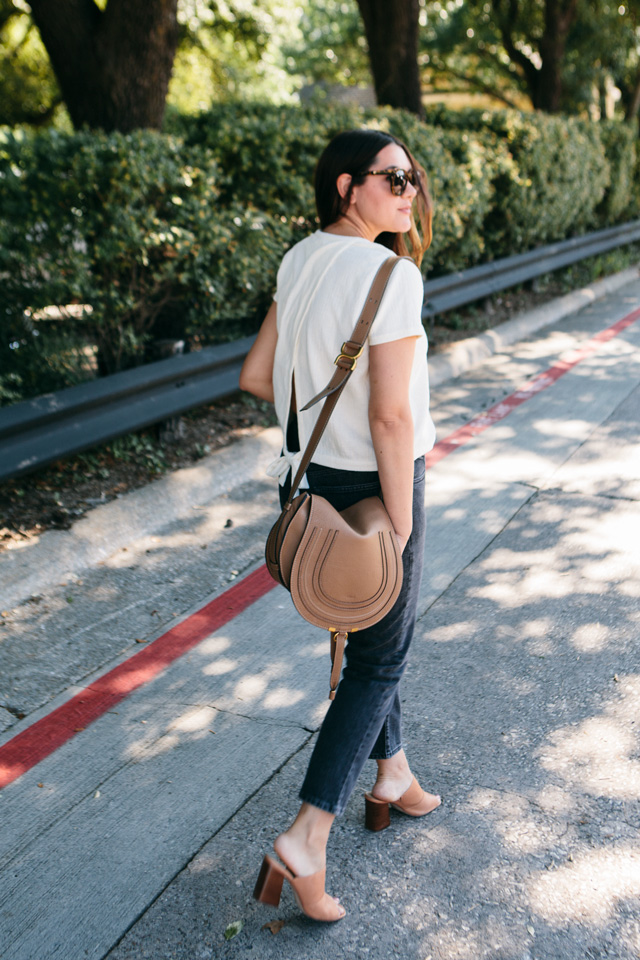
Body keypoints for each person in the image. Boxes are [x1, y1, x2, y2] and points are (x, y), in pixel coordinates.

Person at [239, 128, 440, 923]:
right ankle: (306, 837)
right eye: (394, 178)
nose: (410, 192)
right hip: (378, 483)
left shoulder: (300, 258)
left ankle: (393, 773)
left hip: (312, 483)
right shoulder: (391, 273)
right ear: (347, 186)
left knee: (369, 641)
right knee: (381, 658)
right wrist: (400, 518)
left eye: (413, 178)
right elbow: (391, 417)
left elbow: (259, 375)